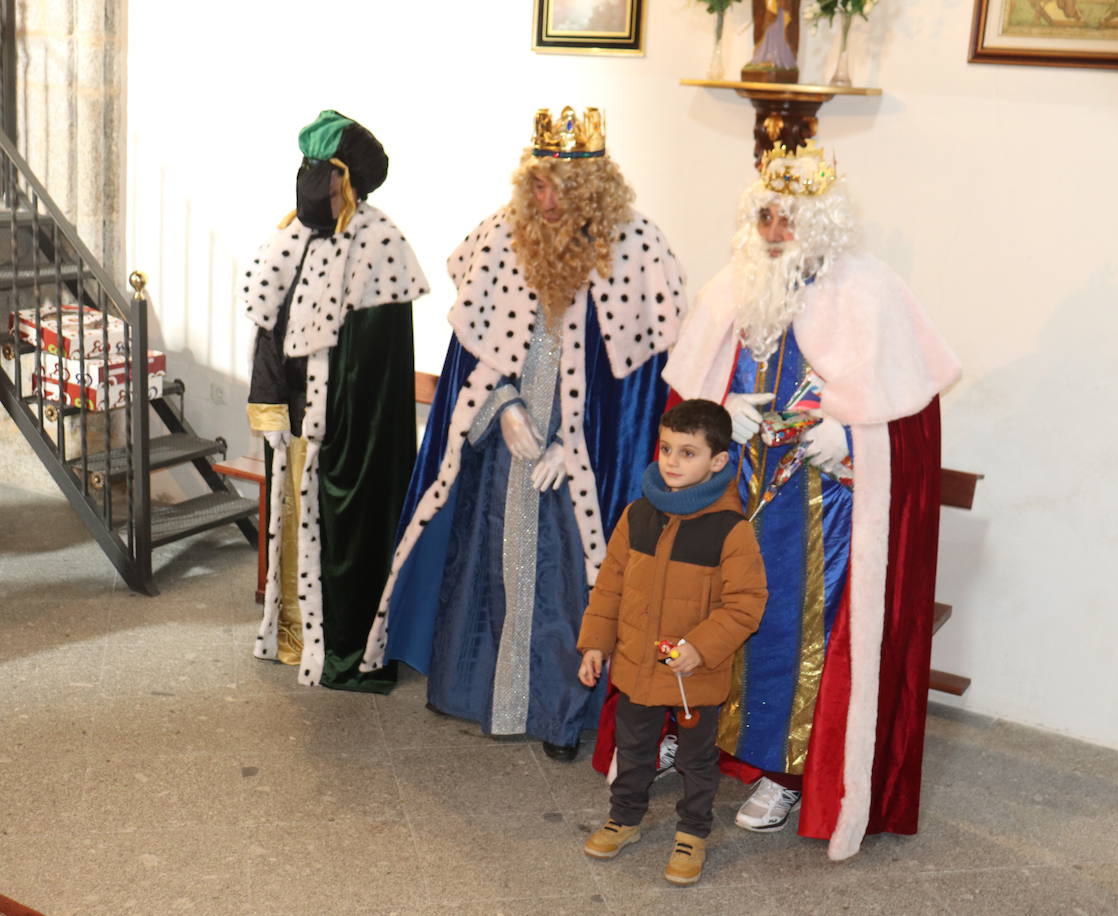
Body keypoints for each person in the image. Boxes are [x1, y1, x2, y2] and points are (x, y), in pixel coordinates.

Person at [596, 140, 961, 860]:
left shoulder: (874, 293)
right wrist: (717, 406)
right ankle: (677, 726)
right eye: (763, 213)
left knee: (792, 638)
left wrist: (854, 441)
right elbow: (685, 400)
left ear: (822, 219)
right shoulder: (733, 289)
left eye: (789, 215)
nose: (772, 228)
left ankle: (782, 770)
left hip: (819, 515)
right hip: (726, 501)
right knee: (693, 608)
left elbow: (910, 420)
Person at [359, 106, 686, 759]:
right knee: (492, 561)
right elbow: (468, 354)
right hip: (505, 450)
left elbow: (640, 385)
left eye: (561, 187)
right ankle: (482, 693)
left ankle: (561, 716)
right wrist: (502, 407)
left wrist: (579, 444)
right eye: (536, 184)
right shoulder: (501, 237)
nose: (547, 199)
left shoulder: (637, 248)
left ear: (597, 186)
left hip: (581, 464)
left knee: (570, 580)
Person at [243, 111, 429, 692]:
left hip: (347, 433)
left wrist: (338, 432)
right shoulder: (290, 236)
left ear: (347, 180)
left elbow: (373, 366)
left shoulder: (379, 244)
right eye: (303, 167)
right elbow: (268, 329)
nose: (307, 181)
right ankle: (296, 640)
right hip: (296, 421)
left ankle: (346, 651)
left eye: (318, 170)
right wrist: (269, 404)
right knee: (292, 530)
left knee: (340, 539)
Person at [577, 399, 767, 886]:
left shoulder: (732, 529)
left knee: (695, 757)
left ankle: (693, 832)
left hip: (693, 673)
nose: (672, 462)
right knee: (634, 746)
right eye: (666, 448)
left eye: (688, 453)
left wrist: (700, 647)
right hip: (639, 663)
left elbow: (745, 604)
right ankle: (625, 817)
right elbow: (611, 585)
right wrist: (596, 642)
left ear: (718, 461)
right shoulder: (638, 514)